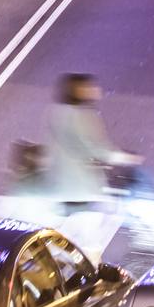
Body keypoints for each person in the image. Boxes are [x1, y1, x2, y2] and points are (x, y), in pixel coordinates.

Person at [49, 73, 128, 208]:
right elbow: (93, 147)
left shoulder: (57, 111)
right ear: (79, 91)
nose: (96, 89)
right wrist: (121, 157)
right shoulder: (81, 115)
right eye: (90, 87)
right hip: (81, 186)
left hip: (61, 183)